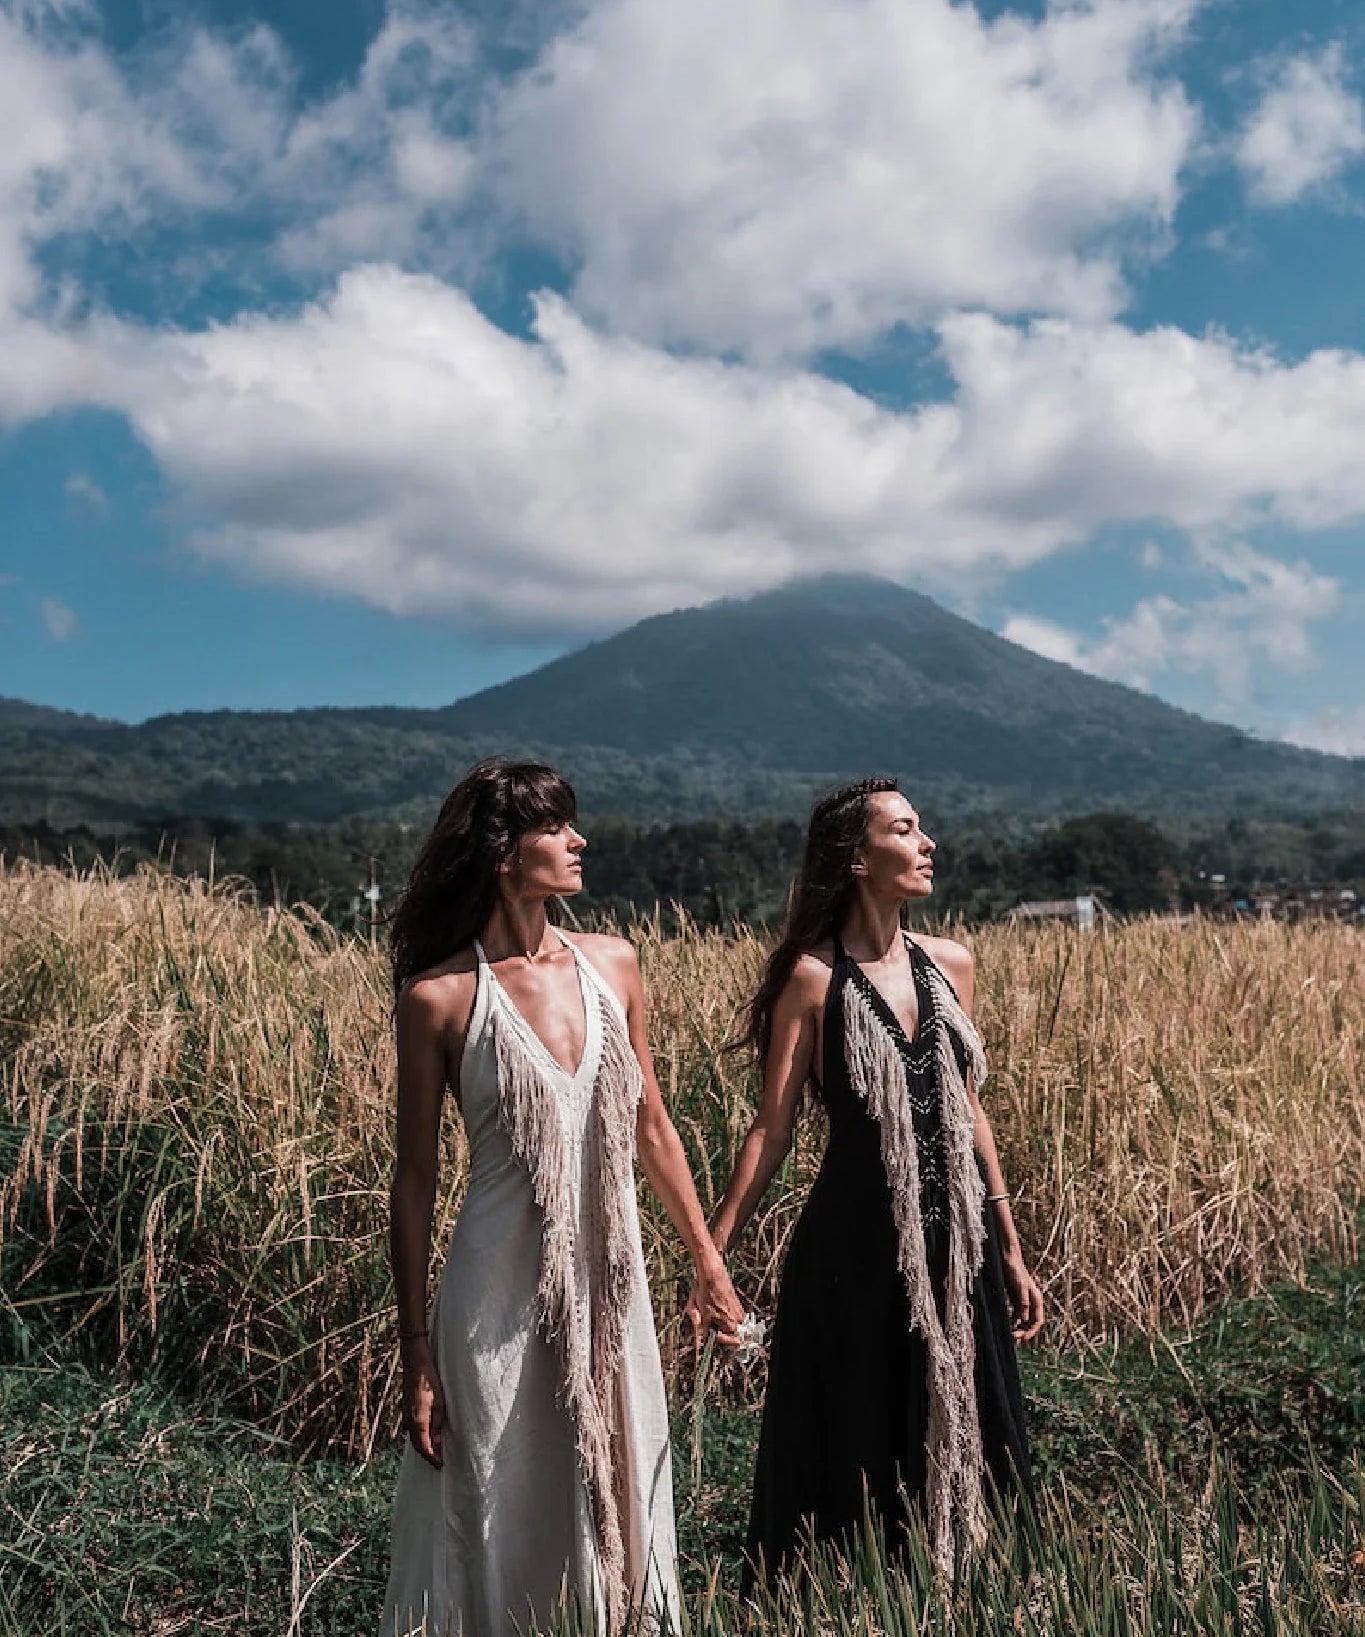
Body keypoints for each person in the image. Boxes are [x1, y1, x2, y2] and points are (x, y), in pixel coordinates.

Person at [380, 758, 745, 1637]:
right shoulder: (438, 997)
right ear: (506, 852)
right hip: (494, 1297)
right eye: (557, 827)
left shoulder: (614, 964)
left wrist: (706, 1261)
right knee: (500, 1498)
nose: (579, 840)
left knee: (617, 1476)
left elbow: (652, 1126)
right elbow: (414, 1181)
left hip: (610, 1281)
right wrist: (417, 1353)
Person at [689, 777, 1043, 1586]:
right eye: (906, 829)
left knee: (974, 1414)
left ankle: (968, 1589)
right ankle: (849, 1598)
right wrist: (712, 1256)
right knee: (860, 1426)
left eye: (922, 830)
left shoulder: (951, 964)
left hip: (960, 1239)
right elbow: (769, 1131)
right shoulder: (813, 980)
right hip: (857, 1243)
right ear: (856, 858)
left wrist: (1010, 1243)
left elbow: (968, 1112)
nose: (927, 844)